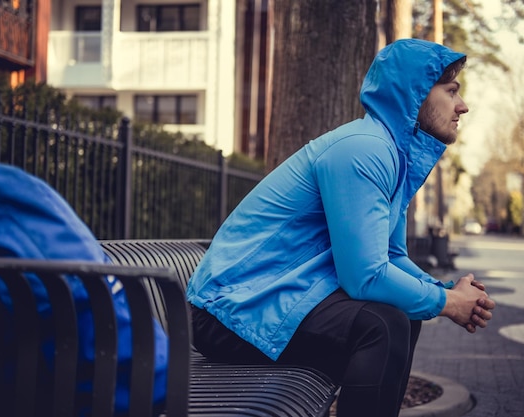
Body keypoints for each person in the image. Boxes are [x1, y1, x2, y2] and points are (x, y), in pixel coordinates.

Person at [186, 38, 495, 417]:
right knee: (381, 325)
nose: (462, 106)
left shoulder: (392, 157)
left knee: (401, 317)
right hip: (230, 309)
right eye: (451, 92)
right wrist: (448, 304)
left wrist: (443, 291)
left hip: (274, 297)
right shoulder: (364, 150)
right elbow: (364, 277)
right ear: (415, 94)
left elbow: (392, 257)